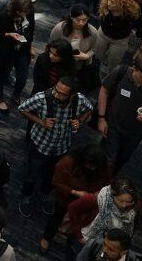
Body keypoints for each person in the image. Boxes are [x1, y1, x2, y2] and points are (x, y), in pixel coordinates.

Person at [18, 77, 94, 216]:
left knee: (52, 174)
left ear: (71, 95)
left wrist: (79, 120)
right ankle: (26, 197)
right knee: (32, 173)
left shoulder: (79, 100)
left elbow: (89, 109)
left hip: (62, 146)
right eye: (56, 90)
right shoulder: (42, 98)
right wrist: (41, 122)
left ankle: (44, 194)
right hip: (41, 144)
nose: (56, 95)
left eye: (62, 94)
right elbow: (22, 109)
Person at [98, 53, 142, 174]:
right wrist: (101, 118)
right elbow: (104, 90)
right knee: (108, 158)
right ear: (134, 69)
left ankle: (109, 180)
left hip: (135, 132)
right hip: (113, 124)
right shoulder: (120, 72)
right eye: (141, 77)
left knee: (122, 159)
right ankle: (100, 183)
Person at [80, 178, 140, 247]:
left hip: (108, 247)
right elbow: (73, 210)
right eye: (120, 201)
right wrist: (79, 237)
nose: (124, 205)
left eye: (128, 202)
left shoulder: (134, 210)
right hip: (85, 237)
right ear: (113, 195)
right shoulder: (101, 199)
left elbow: (128, 235)